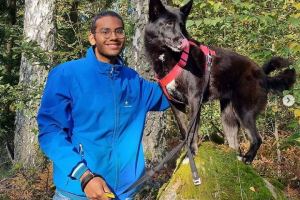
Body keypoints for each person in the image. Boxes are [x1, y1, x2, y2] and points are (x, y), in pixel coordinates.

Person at [37, 10, 169, 200]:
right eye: (105, 31)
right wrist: (84, 176)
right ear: (92, 38)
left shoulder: (133, 80)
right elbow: (50, 132)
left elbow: (172, 95)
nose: (113, 37)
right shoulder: (67, 74)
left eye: (119, 31)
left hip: (125, 192)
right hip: (78, 192)